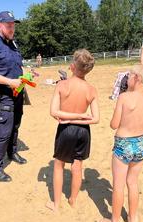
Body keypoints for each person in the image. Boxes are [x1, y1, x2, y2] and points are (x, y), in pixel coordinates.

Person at [99, 65, 143, 222]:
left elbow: (114, 124)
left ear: (137, 78)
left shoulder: (124, 97)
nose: (127, 78)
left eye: (130, 75)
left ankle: (115, 220)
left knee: (118, 185)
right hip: (140, 145)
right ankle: (133, 218)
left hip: (123, 144)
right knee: (133, 183)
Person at [46, 49, 100, 212]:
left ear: (72, 66)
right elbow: (96, 119)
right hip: (83, 131)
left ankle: (56, 204)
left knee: (58, 165)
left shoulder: (62, 85)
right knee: (77, 167)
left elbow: (53, 112)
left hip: (66, 129)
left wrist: (70, 118)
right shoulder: (91, 89)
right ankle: (72, 200)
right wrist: (81, 116)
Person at [0, 11, 27, 182]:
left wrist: (27, 74)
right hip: (4, 96)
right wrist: (10, 81)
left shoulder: (13, 45)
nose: (12, 28)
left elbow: (17, 66)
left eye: (13, 25)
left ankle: (12, 152)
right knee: (4, 133)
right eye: (8, 25)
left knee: (15, 126)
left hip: (18, 93)